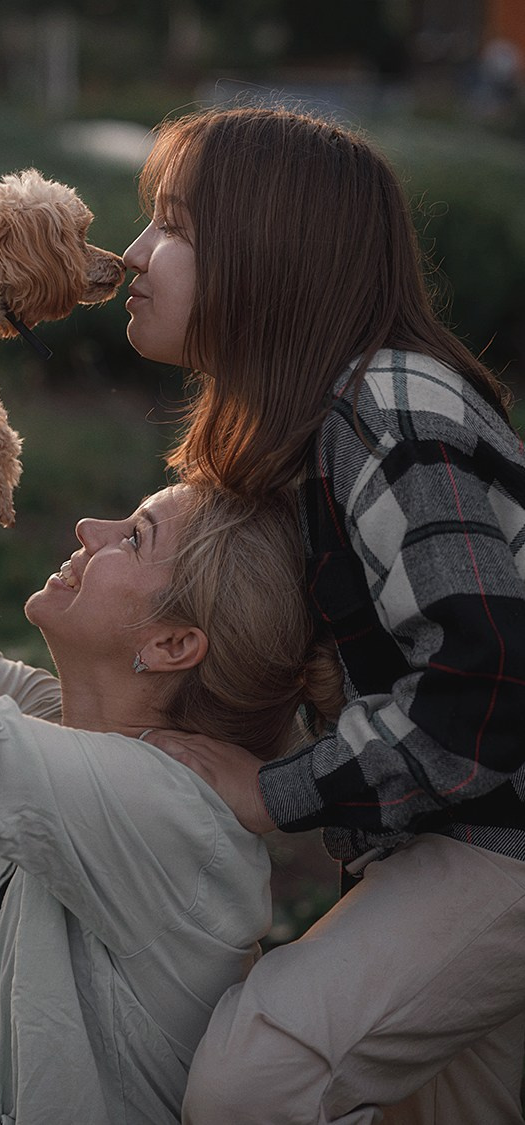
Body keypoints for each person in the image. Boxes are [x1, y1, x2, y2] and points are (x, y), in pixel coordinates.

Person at [0, 257, 344, 1124]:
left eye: (135, 535)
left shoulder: (166, 809)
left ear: (173, 643)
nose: (90, 528)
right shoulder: (65, 719)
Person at [121, 105, 525, 1124]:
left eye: (174, 228)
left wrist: (277, 792)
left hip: (500, 840)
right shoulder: (334, 422)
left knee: (255, 1078)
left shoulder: (390, 401)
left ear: (271, 256)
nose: (132, 257)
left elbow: (488, 678)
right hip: (455, 839)